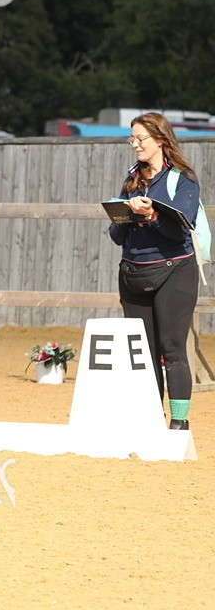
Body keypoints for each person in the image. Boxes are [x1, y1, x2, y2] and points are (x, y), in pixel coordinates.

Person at [108, 112, 199, 430]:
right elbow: (116, 235)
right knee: (142, 354)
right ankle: (150, 419)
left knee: (172, 348)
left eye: (140, 139)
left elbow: (180, 232)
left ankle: (178, 422)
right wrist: (127, 216)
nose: (135, 145)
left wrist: (152, 216)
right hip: (133, 273)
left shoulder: (183, 178)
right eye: (131, 139)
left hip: (175, 271)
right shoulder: (132, 178)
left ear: (160, 139)